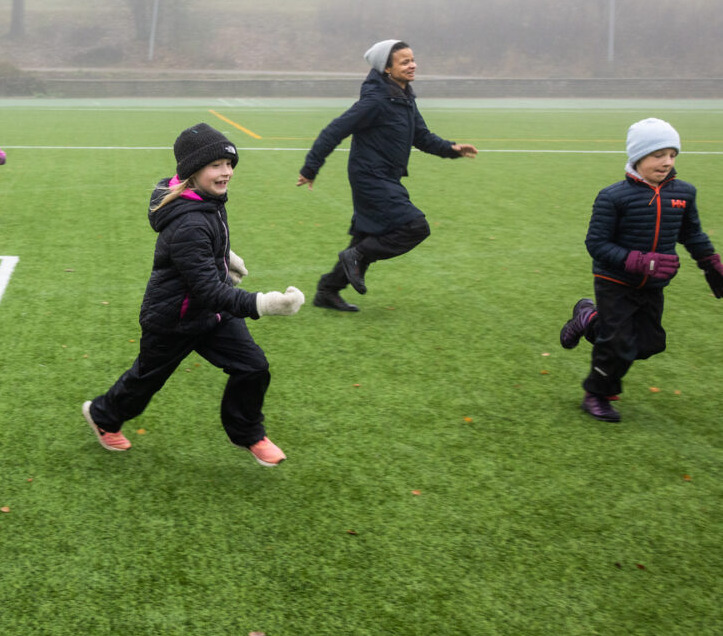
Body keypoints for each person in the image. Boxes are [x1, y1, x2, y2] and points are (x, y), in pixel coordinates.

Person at [81, 123, 305, 467]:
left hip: (211, 316)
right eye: (216, 165)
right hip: (174, 319)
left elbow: (205, 249)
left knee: (253, 367)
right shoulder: (189, 222)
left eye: (229, 164)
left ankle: (248, 434)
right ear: (193, 171)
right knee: (145, 381)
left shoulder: (206, 199)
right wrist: (266, 303)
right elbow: (209, 289)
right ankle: (102, 416)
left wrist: (224, 256)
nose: (226, 172)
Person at [558, 117, 723, 422]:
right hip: (614, 280)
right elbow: (596, 244)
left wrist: (711, 266)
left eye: (672, 154)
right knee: (617, 343)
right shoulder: (612, 196)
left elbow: (692, 234)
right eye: (658, 155)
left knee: (650, 344)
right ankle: (597, 394)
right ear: (638, 156)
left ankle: (588, 319)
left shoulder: (684, 193)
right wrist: (640, 261)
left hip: (654, 284)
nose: (667, 162)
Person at [296, 40, 478, 311]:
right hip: (369, 176)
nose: (412, 65)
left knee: (367, 236)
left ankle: (328, 290)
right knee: (414, 227)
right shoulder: (376, 100)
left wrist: (451, 149)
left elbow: (422, 136)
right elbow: (334, 130)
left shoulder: (404, 98)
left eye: (413, 59)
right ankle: (354, 259)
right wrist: (311, 168)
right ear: (387, 68)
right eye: (404, 62)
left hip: (386, 176)